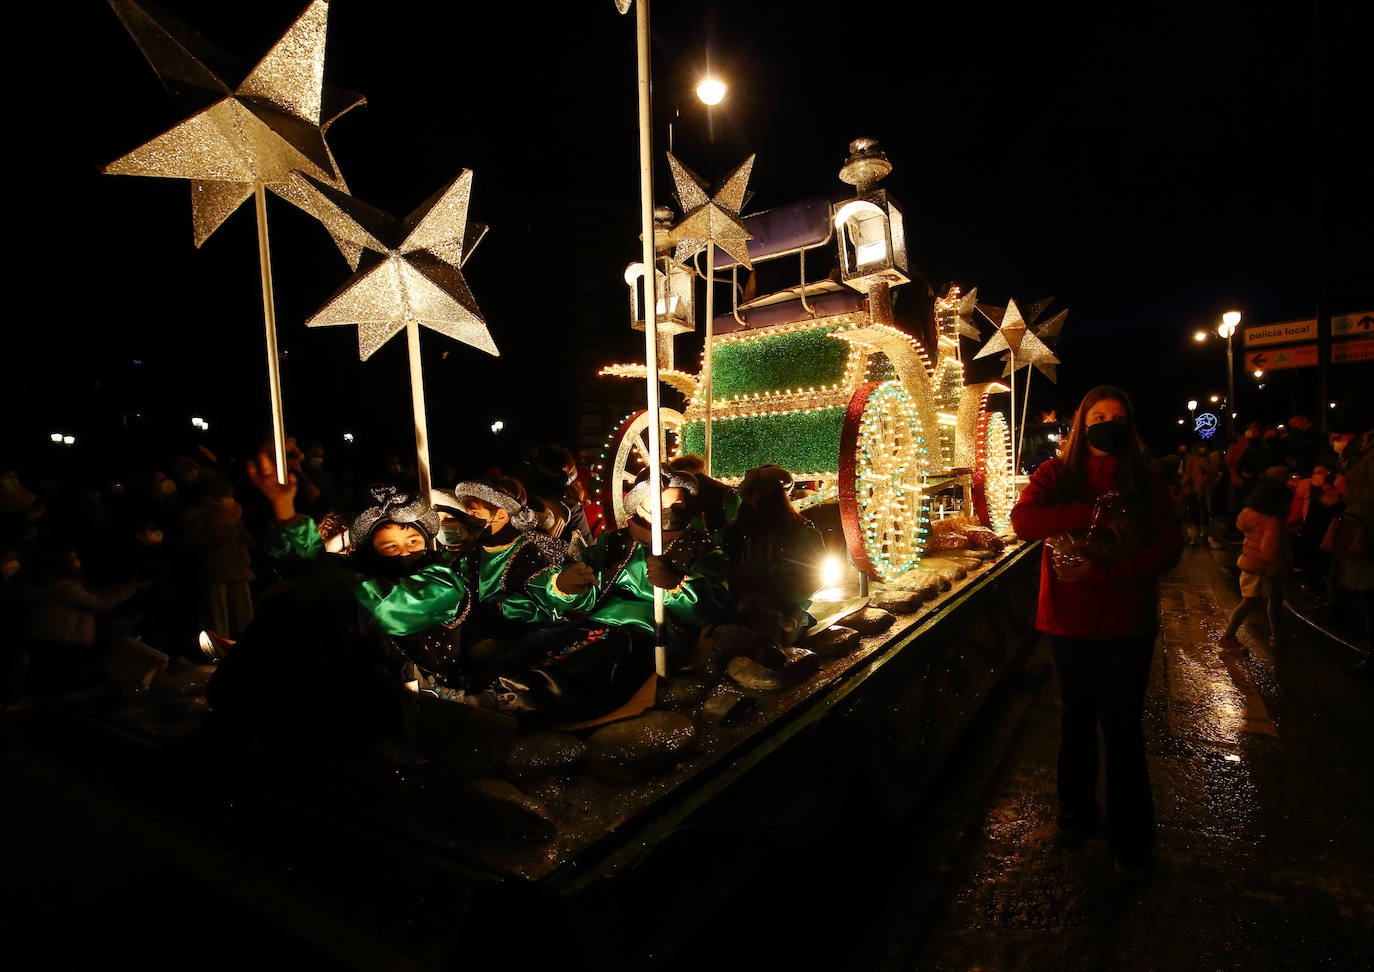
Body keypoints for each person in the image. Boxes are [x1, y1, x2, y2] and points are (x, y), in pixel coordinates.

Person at [1011, 385, 1183, 880]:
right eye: (1098, 416)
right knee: (1076, 719)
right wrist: (1091, 513)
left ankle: (1133, 835)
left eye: (1119, 416)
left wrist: (1105, 573)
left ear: (1130, 424)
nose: (1109, 424)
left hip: (1126, 620)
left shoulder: (1147, 479)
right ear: (1083, 423)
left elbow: (1168, 547)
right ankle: (1075, 812)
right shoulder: (1055, 474)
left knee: (1123, 727)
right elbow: (1023, 522)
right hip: (1067, 620)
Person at [1220, 478, 1293, 653]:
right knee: (1251, 602)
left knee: (1274, 598)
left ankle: (1278, 635)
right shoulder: (1271, 522)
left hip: (1251, 562)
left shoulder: (1249, 513)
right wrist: (1283, 566)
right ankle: (1228, 637)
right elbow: (1269, 550)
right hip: (1263, 567)